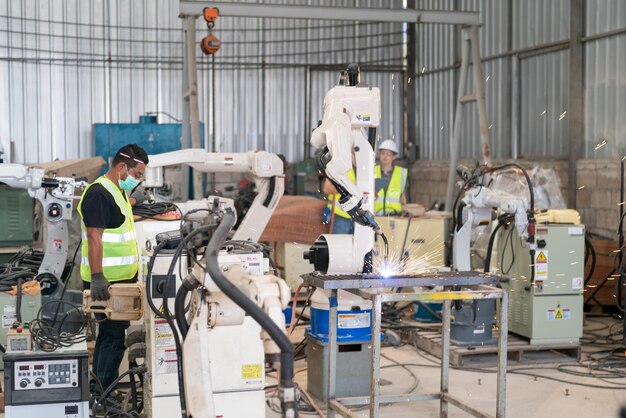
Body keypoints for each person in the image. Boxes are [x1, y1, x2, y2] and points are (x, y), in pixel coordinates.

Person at [77, 144, 149, 395]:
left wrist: (134, 200)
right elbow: (94, 237)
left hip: (121, 283)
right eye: (137, 175)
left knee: (111, 337)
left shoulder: (115, 190)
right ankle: (102, 396)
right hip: (106, 285)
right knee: (112, 339)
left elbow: (117, 214)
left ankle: (101, 391)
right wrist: (97, 278)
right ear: (122, 168)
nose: (138, 180)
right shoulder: (98, 194)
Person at [374, 140, 408, 215]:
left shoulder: (401, 173)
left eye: (388, 154)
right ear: (379, 155)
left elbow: (403, 199)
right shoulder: (372, 171)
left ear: (394, 157)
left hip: (395, 216)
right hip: (376, 216)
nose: (385, 156)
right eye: (383, 153)